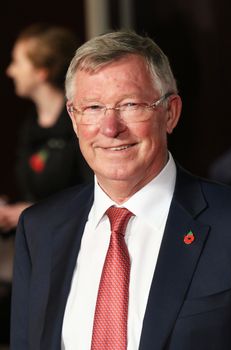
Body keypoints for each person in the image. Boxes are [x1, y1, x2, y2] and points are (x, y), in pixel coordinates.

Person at [10, 30, 231, 350]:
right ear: (74, 119)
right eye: (93, 108)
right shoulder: (39, 230)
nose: (110, 128)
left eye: (130, 104)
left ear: (170, 113)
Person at [0, 23, 92, 347]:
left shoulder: (78, 125)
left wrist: (26, 211)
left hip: (70, 248)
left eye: (17, 61)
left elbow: (92, 193)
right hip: (33, 242)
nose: (10, 70)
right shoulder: (29, 125)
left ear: (40, 72)